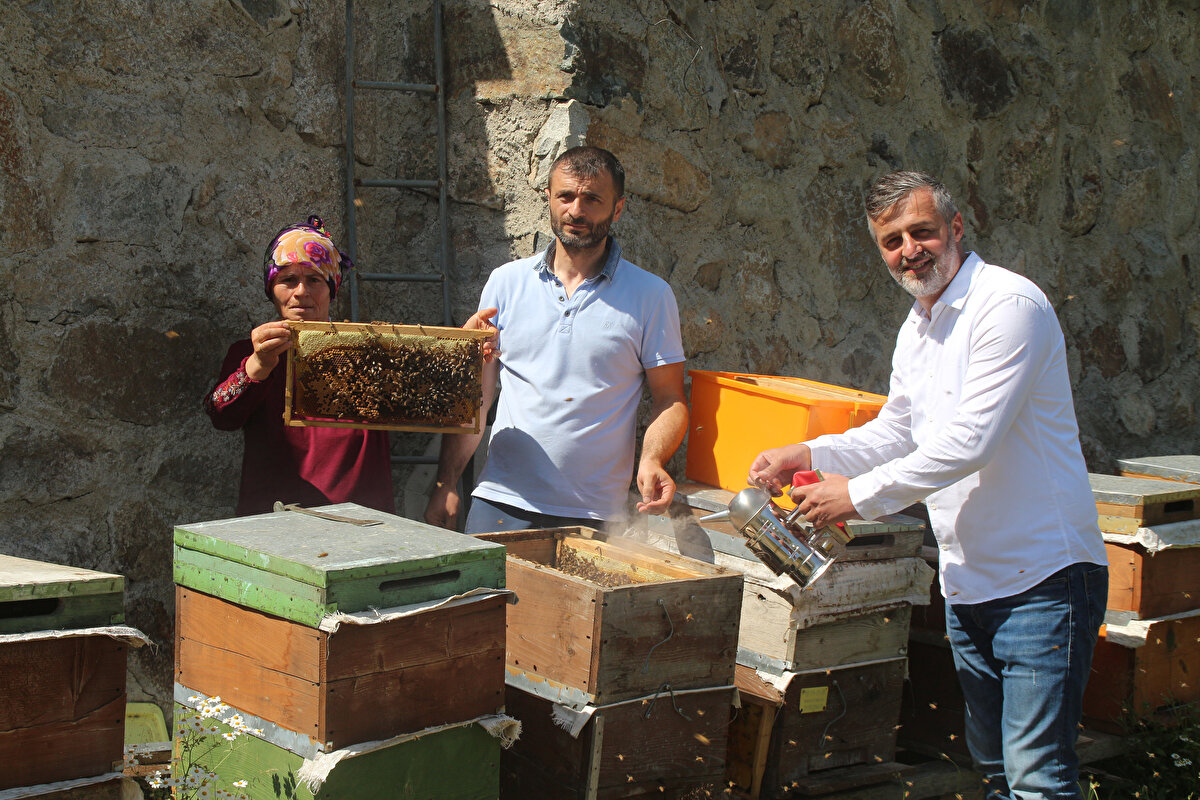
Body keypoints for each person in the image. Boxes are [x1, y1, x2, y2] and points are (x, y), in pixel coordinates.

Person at [749, 171, 1107, 800]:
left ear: (956, 228)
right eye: (892, 240)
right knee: (997, 774)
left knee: (1038, 783)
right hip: (970, 583)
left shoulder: (1009, 306)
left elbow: (971, 441)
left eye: (921, 232)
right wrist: (806, 450)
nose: (909, 249)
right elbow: (898, 432)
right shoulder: (918, 328)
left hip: (1046, 580)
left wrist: (854, 496)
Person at [424, 146, 688, 534]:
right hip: (501, 500)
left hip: (597, 513)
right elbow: (476, 397)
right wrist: (446, 483)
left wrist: (651, 460)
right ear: (548, 198)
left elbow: (670, 398)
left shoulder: (651, 295)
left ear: (617, 209)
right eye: (565, 196)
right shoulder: (506, 281)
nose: (576, 211)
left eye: (592, 199)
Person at [205, 216, 394, 516]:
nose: (301, 292)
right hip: (274, 523)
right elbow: (220, 415)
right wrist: (258, 365)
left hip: (363, 522)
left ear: (332, 289)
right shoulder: (247, 352)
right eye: (288, 280)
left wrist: (470, 352)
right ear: (272, 289)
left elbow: (435, 401)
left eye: (315, 280)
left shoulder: (372, 353)